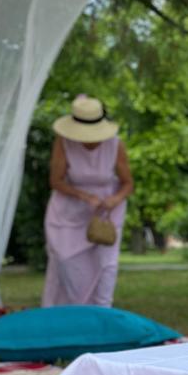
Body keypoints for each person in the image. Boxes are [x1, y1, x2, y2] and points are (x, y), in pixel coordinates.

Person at [42, 95, 133, 307]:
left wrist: (114, 199)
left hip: (106, 213)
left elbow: (128, 183)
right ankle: (71, 316)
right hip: (68, 210)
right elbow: (55, 181)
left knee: (105, 266)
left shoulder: (115, 145)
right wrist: (83, 196)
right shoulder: (64, 142)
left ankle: (102, 315)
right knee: (66, 262)